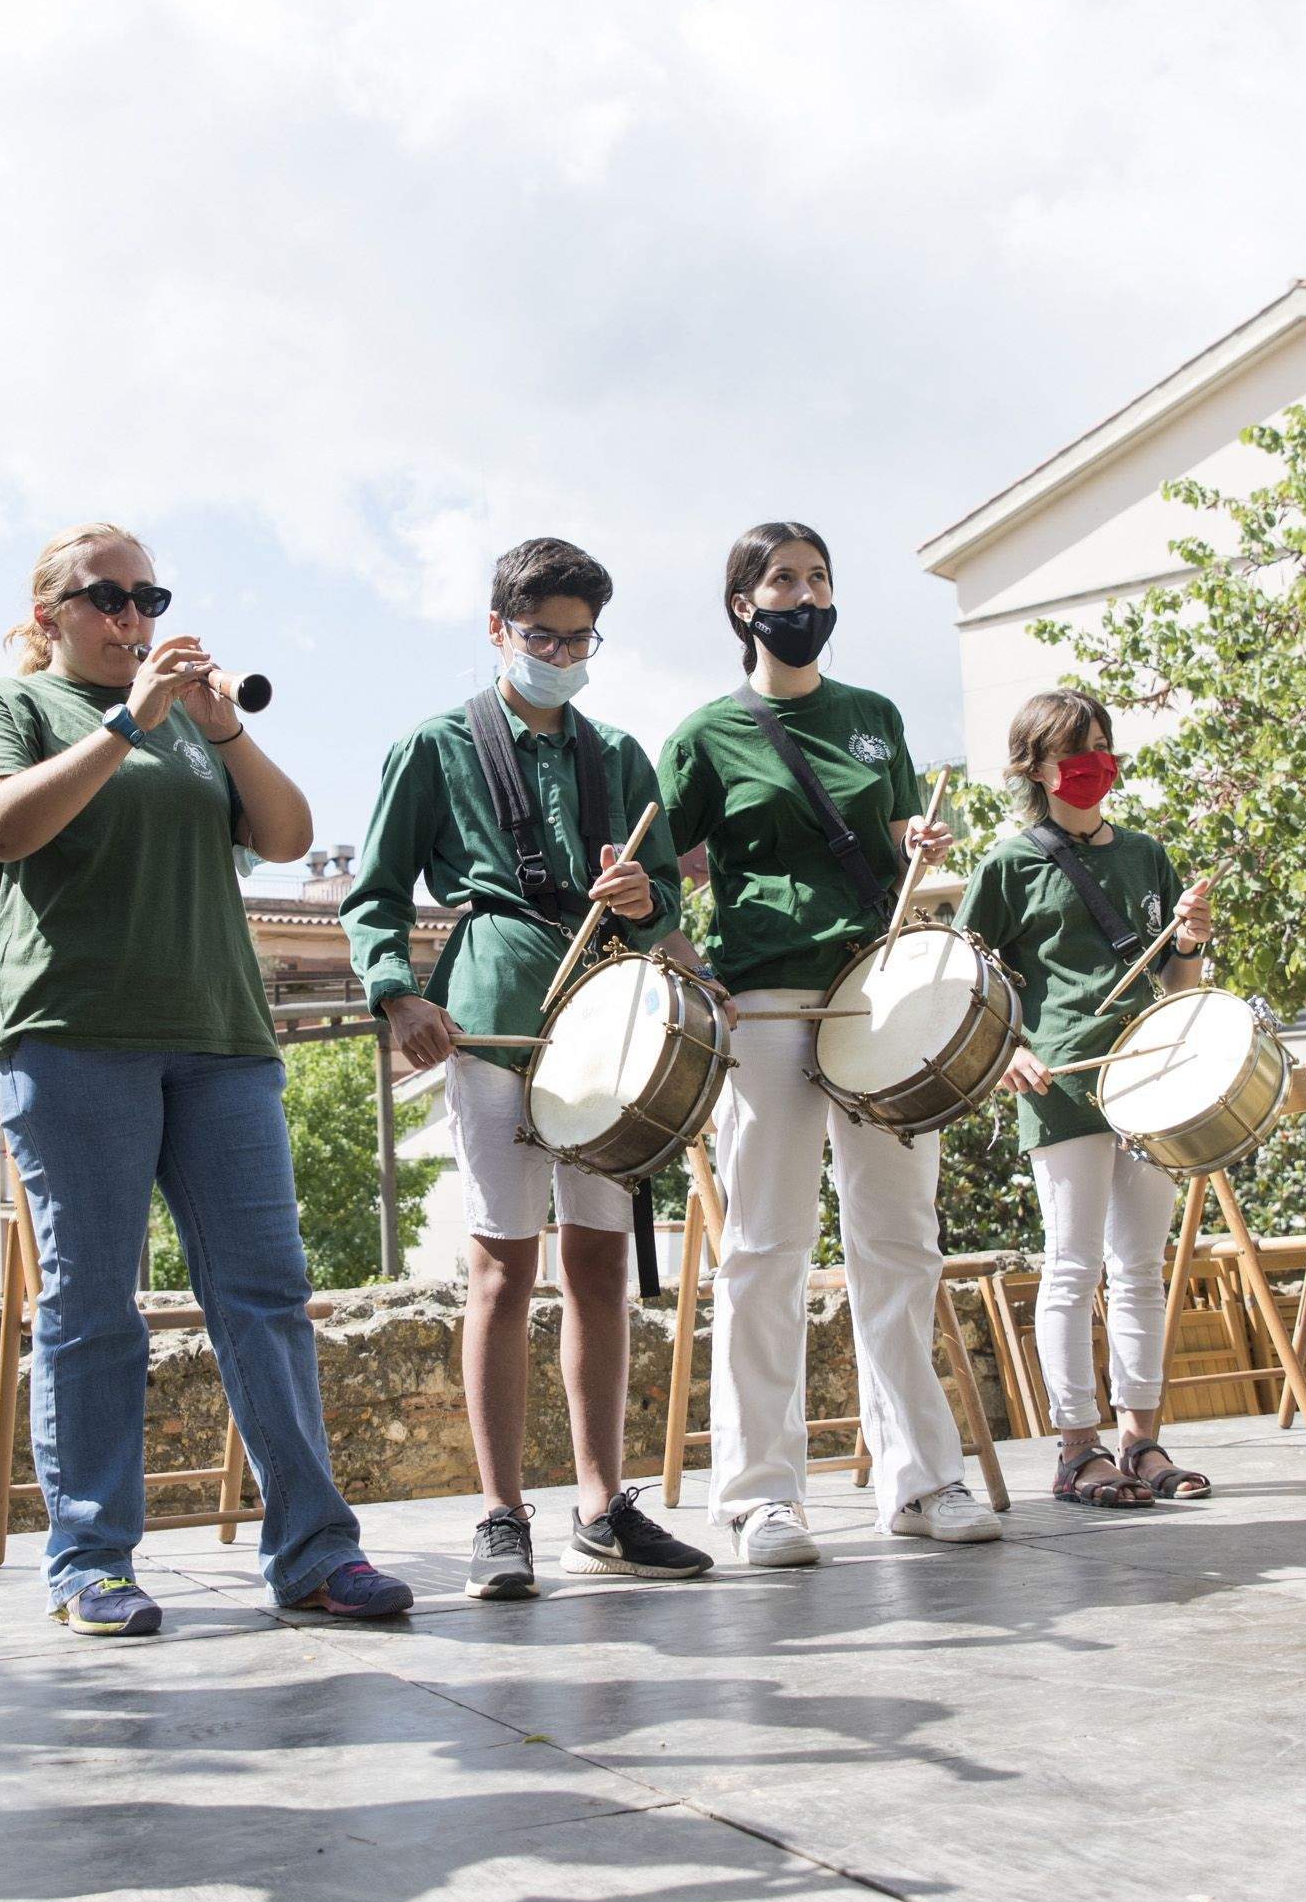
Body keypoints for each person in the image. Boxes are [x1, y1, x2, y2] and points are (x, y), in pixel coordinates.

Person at [0, 526, 410, 1636]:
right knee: (91, 1304)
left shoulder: (194, 727)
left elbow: (291, 831)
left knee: (266, 1295)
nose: (130, 616)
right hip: (74, 1035)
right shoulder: (21, 708)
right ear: (49, 615)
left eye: (145, 595)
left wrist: (227, 728)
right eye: (105, 597)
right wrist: (129, 722)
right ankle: (89, 1561)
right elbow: (1, 826)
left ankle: (315, 1550)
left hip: (221, 1040)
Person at [345, 538, 715, 1600]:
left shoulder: (621, 754)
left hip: (609, 1022)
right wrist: (396, 991)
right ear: (498, 629)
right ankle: (500, 1513)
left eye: (580, 636)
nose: (562, 651)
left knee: (601, 1263)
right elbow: (373, 892)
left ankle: (602, 1505)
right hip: (494, 1017)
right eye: (543, 634)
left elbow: (666, 911)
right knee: (502, 1264)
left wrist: (649, 904)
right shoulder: (435, 746)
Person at [656, 522, 995, 1567]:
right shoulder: (706, 733)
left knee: (900, 1238)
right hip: (763, 1000)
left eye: (818, 578)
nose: (805, 595)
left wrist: (914, 846)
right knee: (765, 1245)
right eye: (783, 580)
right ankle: (761, 1495)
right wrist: (692, 971)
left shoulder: (875, 720)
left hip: (877, 994)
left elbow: (891, 846)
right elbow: (653, 874)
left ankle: (921, 1478)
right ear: (742, 606)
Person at [960, 691, 1218, 1507]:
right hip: (1063, 1082)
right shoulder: (1007, 864)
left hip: (1150, 1080)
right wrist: (1010, 1051)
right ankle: (1077, 1448)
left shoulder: (1146, 855)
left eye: (1102, 744)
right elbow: (966, 983)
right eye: (1074, 750)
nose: (1094, 763)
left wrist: (1189, 942)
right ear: (1034, 768)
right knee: (1071, 1266)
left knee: (1139, 1268)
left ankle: (1141, 1439)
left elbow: (1180, 984)